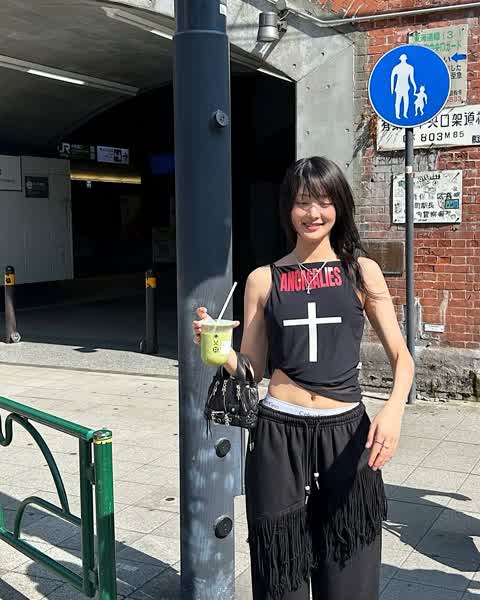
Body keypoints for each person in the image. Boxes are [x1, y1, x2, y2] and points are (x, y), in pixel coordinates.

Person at [192, 156, 415, 600]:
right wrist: (219, 351)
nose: (313, 213)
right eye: (302, 202)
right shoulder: (263, 279)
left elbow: (402, 357)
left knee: (350, 566)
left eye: (324, 201)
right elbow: (253, 370)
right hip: (278, 434)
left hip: (347, 434)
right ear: (288, 209)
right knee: (282, 572)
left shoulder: (361, 271)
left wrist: (393, 411)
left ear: (340, 207)